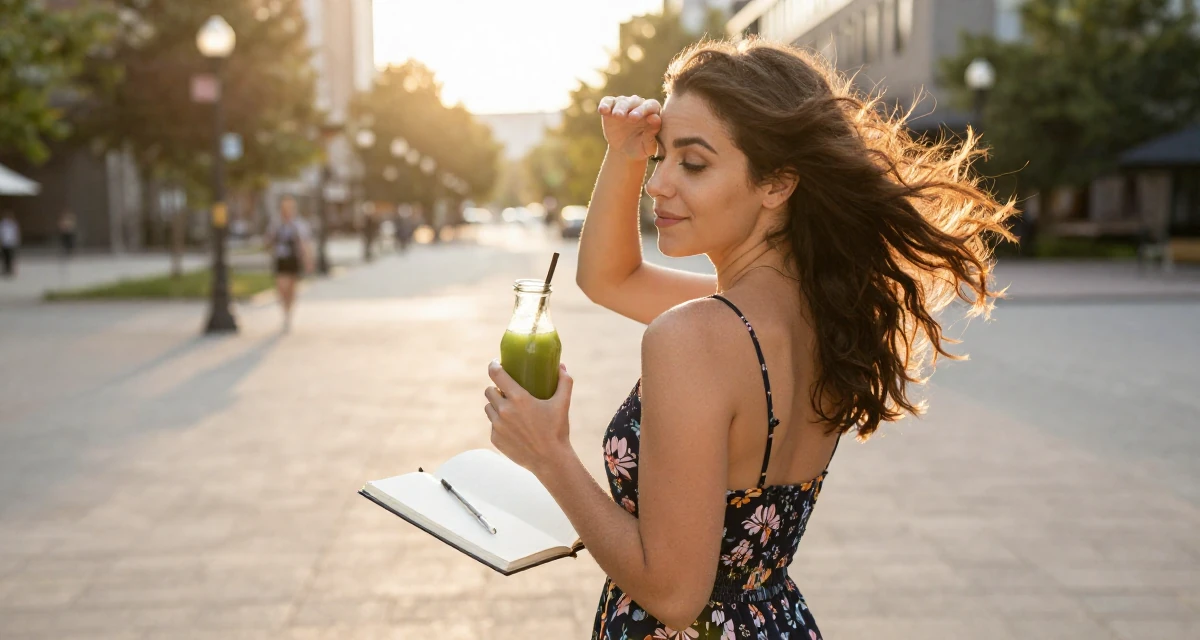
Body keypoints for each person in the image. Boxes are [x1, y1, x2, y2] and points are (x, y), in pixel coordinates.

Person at [482, 39, 1015, 639]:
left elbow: (674, 595)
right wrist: (625, 154)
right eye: (660, 155)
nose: (658, 184)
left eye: (694, 163)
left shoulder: (696, 335)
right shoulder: (818, 312)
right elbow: (610, 278)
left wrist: (548, 454)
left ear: (777, 184)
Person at [264, 196, 313, 331]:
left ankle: (288, 313)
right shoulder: (276, 224)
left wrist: (308, 260)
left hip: (293, 259)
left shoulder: (299, 224)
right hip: (280, 259)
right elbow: (268, 240)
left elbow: (305, 244)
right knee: (281, 287)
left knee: (291, 288)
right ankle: (284, 311)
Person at [0, 212, 19, 277]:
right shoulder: (3, 224)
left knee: (11, 257)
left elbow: (15, 233)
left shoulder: (13, 224)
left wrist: (16, 241)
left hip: (11, 243)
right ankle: (5, 269)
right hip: (5, 243)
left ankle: (10, 269)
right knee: (5, 257)